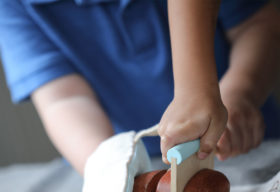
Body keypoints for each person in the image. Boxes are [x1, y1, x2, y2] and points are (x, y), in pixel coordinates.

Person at [0, 0, 279, 175]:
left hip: (249, 150)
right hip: (134, 167)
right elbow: (63, 99)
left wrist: (241, 92)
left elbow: (259, 24)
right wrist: (107, 172)